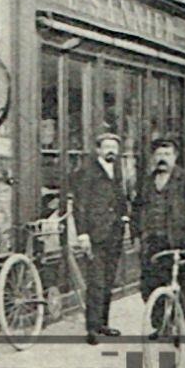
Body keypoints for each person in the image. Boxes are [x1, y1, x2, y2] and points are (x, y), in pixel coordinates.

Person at [130, 137, 185, 304]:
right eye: (159, 154)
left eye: (167, 154)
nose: (162, 158)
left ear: (175, 157)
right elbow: (136, 210)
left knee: (177, 286)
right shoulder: (146, 181)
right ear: (153, 157)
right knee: (148, 287)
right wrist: (135, 236)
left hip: (176, 241)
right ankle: (161, 327)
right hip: (151, 243)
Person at [68, 132, 129, 345]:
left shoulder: (118, 168)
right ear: (98, 150)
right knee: (96, 282)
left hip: (114, 232)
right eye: (107, 147)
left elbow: (120, 195)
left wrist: (124, 215)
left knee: (109, 279)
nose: (111, 150)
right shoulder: (86, 171)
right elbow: (80, 205)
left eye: (114, 146)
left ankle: (103, 323)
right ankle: (92, 328)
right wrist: (82, 234)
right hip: (95, 234)